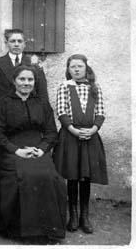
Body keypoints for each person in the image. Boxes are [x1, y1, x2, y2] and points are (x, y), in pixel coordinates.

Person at [0, 65, 66, 240]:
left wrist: (41, 150)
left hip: (37, 148)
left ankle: (47, 229)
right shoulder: (3, 103)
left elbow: (50, 132)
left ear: (35, 82)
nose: (26, 83)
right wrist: (16, 150)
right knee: (20, 176)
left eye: (30, 80)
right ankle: (18, 230)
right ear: (14, 81)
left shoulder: (41, 103)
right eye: (22, 79)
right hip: (12, 149)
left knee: (49, 176)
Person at [53, 54, 108, 234]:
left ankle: (85, 215)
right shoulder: (64, 87)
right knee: (73, 175)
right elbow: (61, 112)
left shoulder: (95, 87)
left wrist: (93, 129)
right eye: (72, 67)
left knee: (85, 176)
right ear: (68, 70)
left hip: (90, 135)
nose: (76, 69)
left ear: (86, 68)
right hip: (71, 135)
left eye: (80, 66)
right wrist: (74, 130)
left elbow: (100, 112)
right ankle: (73, 215)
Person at [0, 28, 48, 122]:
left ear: (24, 44)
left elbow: (42, 93)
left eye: (20, 41)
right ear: (6, 43)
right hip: (4, 113)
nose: (16, 44)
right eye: (13, 41)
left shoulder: (34, 64)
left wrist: (41, 115)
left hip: (29, 113)